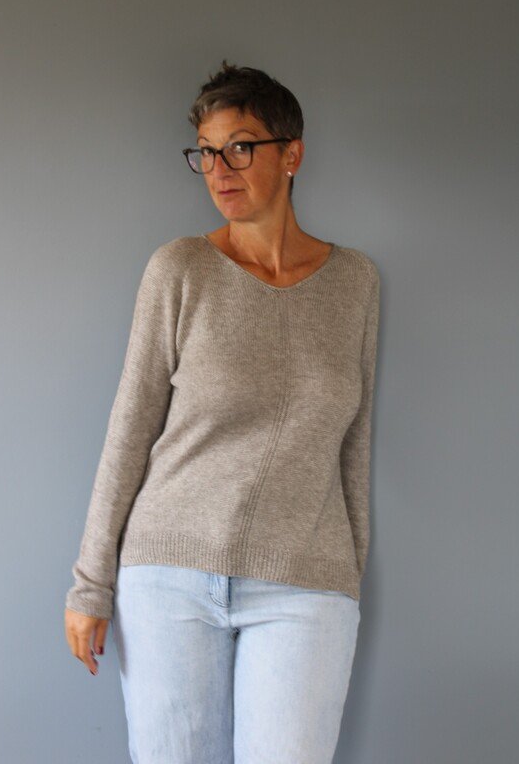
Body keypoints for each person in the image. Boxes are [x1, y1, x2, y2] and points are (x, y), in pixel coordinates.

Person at [64, 59, 381, 763]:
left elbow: (353, 444)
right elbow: (129, 431)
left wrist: (347, 571)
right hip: (168, 579)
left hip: (305, 585)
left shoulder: (356, 283)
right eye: (205, 153)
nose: (218, 170)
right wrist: (91, 586)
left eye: (239, 147)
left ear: (291, 153)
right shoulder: (179, 269)